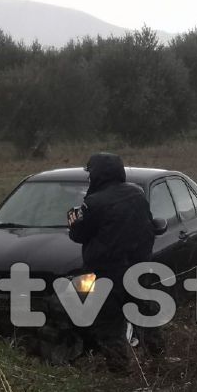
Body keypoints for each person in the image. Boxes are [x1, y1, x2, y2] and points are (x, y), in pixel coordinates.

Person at [68, 152, 156, 371]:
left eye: (90, 173)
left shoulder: (94, 203)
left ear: (96, 174)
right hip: (138, 268)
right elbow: (148, 227)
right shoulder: (136, 195)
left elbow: (79, 235)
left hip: (107, 273)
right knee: (146, 316)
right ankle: (159, 360)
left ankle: (119, 372)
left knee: (109, 325)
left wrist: (73, 223)